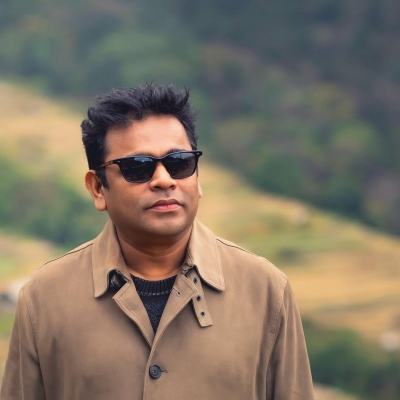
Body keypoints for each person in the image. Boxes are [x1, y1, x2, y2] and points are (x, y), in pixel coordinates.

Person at [1, 83, 314, 400]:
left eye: (179, 163)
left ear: (198, 176)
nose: (164, 180)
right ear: (97, 188)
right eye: (138, 167)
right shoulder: (44, 299)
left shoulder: (265, 290)